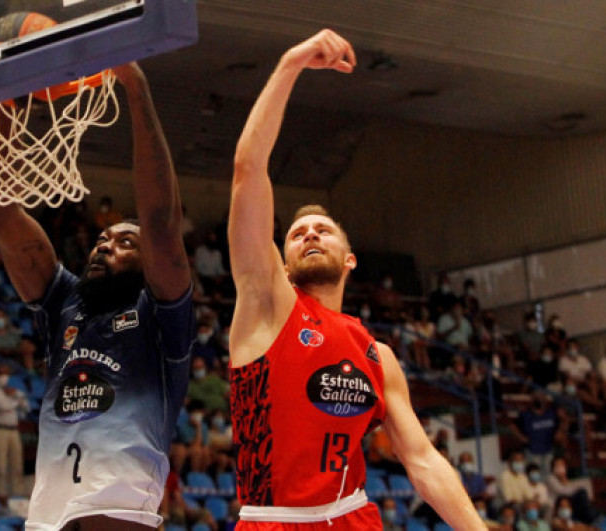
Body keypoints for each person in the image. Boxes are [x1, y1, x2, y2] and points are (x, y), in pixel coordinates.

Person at [226, 29, 483, 529]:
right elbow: (247, 170)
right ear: (281, 264)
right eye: (298, 233)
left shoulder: (376, 355)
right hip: (272, 520)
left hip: (352, 516)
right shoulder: (265, 304)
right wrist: (291, 64)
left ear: (350, 260)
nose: (311, 234)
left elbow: (422, 459)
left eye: (324, 229)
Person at [0, 62, 194, 530]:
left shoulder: (161, 313)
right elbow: (2, 212)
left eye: (125, 243)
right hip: (49, 512)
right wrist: (5, 101)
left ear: (149, 264)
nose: (106, 243)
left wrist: (137, 89)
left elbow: (160, 220)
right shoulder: (65, 301)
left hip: (119, 503)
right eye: (103, 238)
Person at [0, 363, 29, 504]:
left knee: (17, 466)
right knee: (0, 466)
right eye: (0, 374)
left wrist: (14, 397)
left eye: (5, 374)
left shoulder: (14, 391)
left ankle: (18, 496)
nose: (3, 377)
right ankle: (1, 495)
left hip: (14, 430)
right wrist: (15, 399)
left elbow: (26, 407)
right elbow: (2, 406)